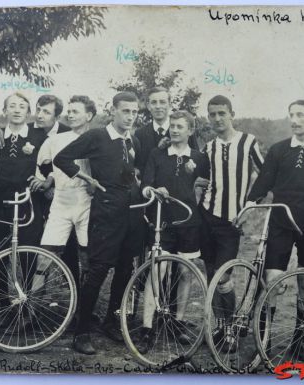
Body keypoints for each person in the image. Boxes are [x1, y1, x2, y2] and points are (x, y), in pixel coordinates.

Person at [53, 91, 143, 355]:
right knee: (99, 270)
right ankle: (81, 332)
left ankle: (109, 322)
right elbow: (62, 159)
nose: (130, 116)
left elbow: (127, 176)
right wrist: (88, 179)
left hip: (131, 215)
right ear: (112, 110)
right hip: (105, 214)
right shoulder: (97, 136)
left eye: (134, 112)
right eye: (125, 111)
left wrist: (137, 186)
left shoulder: (132, 139)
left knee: (125, 269)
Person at [246, 99, 304, 359]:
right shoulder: (278, 150)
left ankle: (299, 339)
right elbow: (263, 182)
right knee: (272, 280)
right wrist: (251, 203)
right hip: (280, 221)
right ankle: (264, 340)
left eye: (300, 115)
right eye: (291, 115)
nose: (294, 120)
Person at [137, 110, 210, 352]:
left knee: (185, 272)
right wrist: (153, 191)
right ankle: (147, 328)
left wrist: (197, 179)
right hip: (162, 221)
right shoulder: (157, 154)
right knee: (157, 270)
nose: (175, 130)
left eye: (180, 126)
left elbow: (206, 186)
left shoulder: (200, 157)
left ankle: (177, 322)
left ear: (190, 130)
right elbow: (146, 185)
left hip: (189, 223)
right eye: (173, 126)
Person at [198, 95, 263, 349]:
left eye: (221, 113)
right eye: (212, 114)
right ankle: (221, 329)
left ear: (232, 114)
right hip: (207, 216)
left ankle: (231, 329)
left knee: (223, 278)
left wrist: (249, 205)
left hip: (231, 221)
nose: (217, 119)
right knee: (211, 274)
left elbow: (265, 175)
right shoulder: (209, 147)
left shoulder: (248, 143)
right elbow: (202, 179)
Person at [0, 92, 46, 311]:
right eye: (11, 106)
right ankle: (4, 303)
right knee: (0, 251)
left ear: (28, 112)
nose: (16, 110)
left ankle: (27, 304)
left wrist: (43, 179)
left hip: (27, 201)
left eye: (22, 106)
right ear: (5, 111)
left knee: (28, 251)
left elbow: (51, 156)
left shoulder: (38, 135)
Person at [30, 96, 97, 292]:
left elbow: (104, 169)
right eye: (69, 110)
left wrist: (95, 184)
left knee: (87, 258)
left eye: (76, 111)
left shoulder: (96, 139)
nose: (70, 114)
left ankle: (83, 310)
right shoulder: (54, 140)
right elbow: (42, 167)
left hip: (86, 203)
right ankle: (33, 308)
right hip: (60, 203)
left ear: (89, 115)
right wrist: (48, 183)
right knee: (44, 257)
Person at [135, 86, 199, 176]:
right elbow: (138, 166)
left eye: (162, 102)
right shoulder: (139, 134)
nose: (158, 106)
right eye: (154, 102)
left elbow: (196, 159)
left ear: (170, 105)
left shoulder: (184, 131)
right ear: (148, 106)